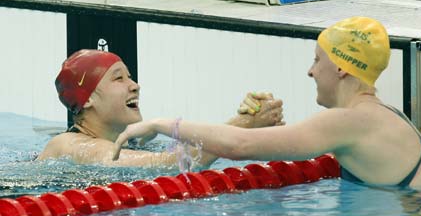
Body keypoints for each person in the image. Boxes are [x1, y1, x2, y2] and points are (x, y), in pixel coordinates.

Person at [112, 16, 421, 191]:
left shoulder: (349, 121)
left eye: (317, 59)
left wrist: (160, 124)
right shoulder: (385, 115)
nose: (310, 71)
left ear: (342, 67)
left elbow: (240, 146)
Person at [38, 49, 284, 168]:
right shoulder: (70, 145)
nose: (135, 86)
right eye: (118, 78)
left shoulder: (130, 143)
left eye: (130, 76)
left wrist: (251, 129)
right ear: (88, 98)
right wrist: (242, 125)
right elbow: (168, 165)